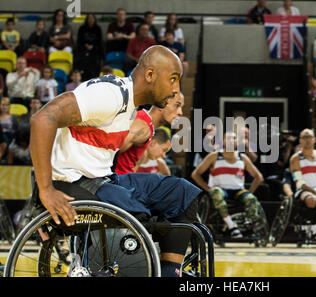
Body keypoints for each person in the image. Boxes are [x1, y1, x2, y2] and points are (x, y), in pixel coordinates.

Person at [29, 45, 202, 277]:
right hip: (75, 183)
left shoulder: (131, 105)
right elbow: (42, 119)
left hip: (104, 179)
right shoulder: (110, 95)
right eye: (172, 79)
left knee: (183, 193)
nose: (176, 89)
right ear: (150, 75)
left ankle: (171, 273)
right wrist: (46, 190)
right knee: (142, 218)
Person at [191, 131, 264, 238]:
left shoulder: (242, 157)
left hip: (237, 190)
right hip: (220, 189)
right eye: (228, 138)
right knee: (216, 192)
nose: (231, 140)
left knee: (251, 199)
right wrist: (208, 188)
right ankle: (231, 225)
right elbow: (195, 174)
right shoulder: (214, 156)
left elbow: (259, 177)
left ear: (237, 141)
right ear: (223, 141)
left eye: (234, 138)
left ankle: (249, 225)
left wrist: (250, 192)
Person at [115, 91, 184, 175]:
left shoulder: (148, 127)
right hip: (118, 182)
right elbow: (111, 153)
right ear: (162, 104)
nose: (180, 112)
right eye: (177, 105)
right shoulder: (143, 126)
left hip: (125, 181)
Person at [76, 13, 103, 81]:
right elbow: (79, 40)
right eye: (89, 18)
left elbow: (99, 41)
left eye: (92, 18)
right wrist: (85, 45)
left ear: (94, 19)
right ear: (87, 19)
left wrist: (93, 46)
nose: (91, 20)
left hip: (95, 50)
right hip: (83, 49)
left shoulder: (98, 29)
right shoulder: (82, 28)